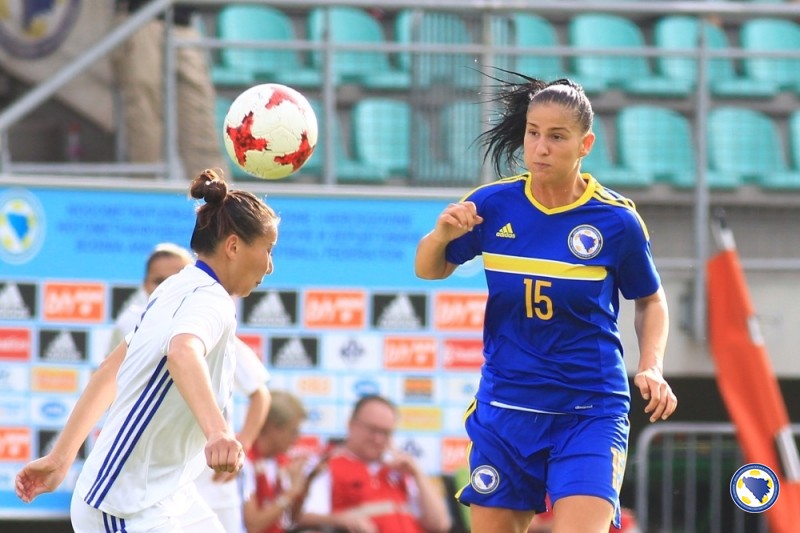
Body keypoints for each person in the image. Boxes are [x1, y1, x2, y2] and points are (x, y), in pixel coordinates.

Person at [414, 74, 678, 533]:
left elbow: (651, 300)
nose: (540, 147)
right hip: (507, 410)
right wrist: (441, 236)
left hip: (589, 411)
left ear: (585, 144)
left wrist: (651, 366)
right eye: (533, 133)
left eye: (557, 136)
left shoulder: (616, 221)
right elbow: (428, 269)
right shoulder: (492, 205)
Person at [15, 169, 279, 532]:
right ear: (233, 247)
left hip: (169, 494)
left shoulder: (174, 287)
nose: (270, 265)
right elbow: (182, 352)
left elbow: (111, 370)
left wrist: (61, 459)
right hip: (122, 506)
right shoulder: (211, 300)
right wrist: (218, 432)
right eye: (268, 249)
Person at [111, 241, 272, 532]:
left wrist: (238, 441)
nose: (168, 285)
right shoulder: (133, 323)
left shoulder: (210, 318)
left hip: (213, 476)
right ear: (145, 285)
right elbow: (108, 379)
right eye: (159, 280)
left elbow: (259, 391)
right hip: (157, 477)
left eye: (176, 276)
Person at [295, 394, 452, 533]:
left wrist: (417, 473)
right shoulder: (327, 464)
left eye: (386, 433)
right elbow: (301, 516)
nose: (378, 439)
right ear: (351, 425)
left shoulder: (401, 468)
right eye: (373, 430)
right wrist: (342, 520)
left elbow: (440, 525)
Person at [112, 1, 229, 179]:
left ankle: (216, 194)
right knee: (146, 123)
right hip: (140, 17)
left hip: (183, 22)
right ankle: (146, 191)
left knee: (200, 122)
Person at [242, 389, 312, 533]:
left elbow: (292, 519)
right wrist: (290, 493)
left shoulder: (280, 461)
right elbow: (253, 525)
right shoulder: (243, 460)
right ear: (273, 427)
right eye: (293, 431)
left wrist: (304, 486)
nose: (296, 438)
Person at [109, 242, 194, 350]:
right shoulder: (128, 323)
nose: (167, 287)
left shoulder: (207, 322)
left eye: (176, 281)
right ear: (145, 284)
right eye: (159, 281)